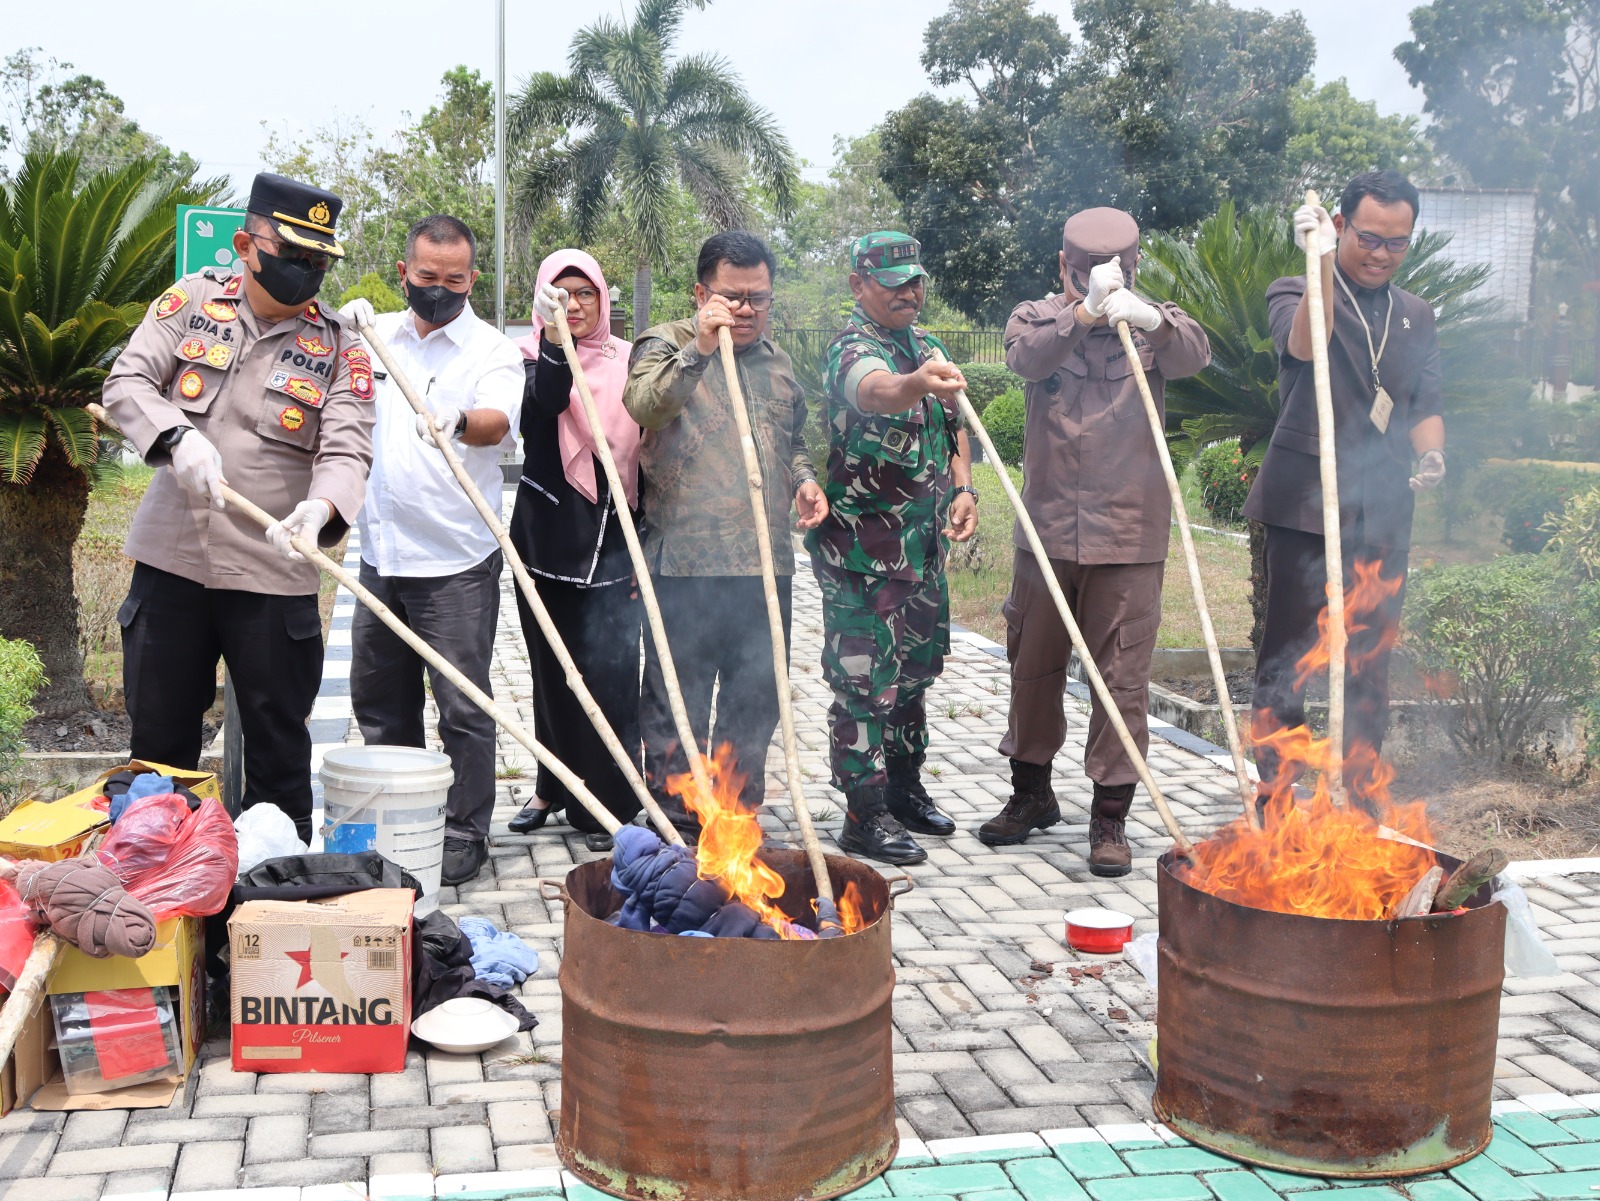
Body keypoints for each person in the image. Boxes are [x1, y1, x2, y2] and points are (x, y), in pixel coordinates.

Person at [103, 173, 373, 844]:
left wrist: (320, 508)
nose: (306, 271)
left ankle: (268, 892)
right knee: (159, 754)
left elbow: (347, 448)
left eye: (318, 261)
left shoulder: (341, 345)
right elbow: (127, 381)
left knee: (278, 760)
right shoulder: (192, 302)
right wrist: (176, 435)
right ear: (246, 245)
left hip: (273, 575)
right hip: (173, 564)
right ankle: (161, 887)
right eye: (292, 254)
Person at [978, 208, 1210, 876]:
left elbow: (1194, 355)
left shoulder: (1155, 323)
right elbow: (1026, 358)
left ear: (1134, 268)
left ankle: (1110, 816)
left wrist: (1147, 317)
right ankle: (1031, 793)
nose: (1103, 286)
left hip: (1129, 536)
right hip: (1047, 534)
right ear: (1064, 267)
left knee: (1121, 679)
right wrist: (1081, 313)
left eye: (1117, 273)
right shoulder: (1037, 317)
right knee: (1033, 667)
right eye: (1083, 274)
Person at [1244, 170, 1445, 804]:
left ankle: (1359, 801)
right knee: (1289, 657)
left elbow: (1423, 403)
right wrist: (1321, 262)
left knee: (1370, 662)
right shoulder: (1295, 288)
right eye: (1369, 238)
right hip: (1307, 501)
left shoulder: (1416, 314)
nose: (1381, 254)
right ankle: (1277, 798)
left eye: (1397, 243)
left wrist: (1432, 454)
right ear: (1339, 225)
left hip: (1383, 506)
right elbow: (1307, 346)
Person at [622, 231, 829, 840]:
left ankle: (735, 821)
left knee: (755, 701)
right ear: (700, 294)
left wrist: (805, 481)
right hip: (683, 566)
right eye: (731, 297)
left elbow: (794, 442)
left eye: (758, 298)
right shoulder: (666, 343)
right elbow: (645, 407)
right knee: (675, 704)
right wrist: (703, 349)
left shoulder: (778, 363)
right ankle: (676, 823)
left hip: (764, 567)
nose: (745, 310)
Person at [337, 215, 523, 887]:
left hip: (454, 563)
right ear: (404, 273)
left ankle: (465, 828)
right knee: (379, 700)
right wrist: (339, 328)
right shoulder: (375, 336)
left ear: (472, 279)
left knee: (463, 706)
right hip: (381, 555)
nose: (439, 289)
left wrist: (459, 420)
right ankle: (403, 815)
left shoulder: (491, 349)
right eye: (426, 277)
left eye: (454, 279)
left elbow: (497, 420)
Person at [807, 232, 977, 867]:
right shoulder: (851, 348)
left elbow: (954, 423)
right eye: (894, 282)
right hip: (862, 559)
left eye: (916, 281)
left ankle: (904, 788)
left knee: (914, 677)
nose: (910, 293)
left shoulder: (930, 346)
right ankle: (863, 812)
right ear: (859, 285)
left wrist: (965, 487)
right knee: (864, 685)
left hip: (922, 553)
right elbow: (877, 391)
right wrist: (914, 384)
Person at [505, 250, 643, 854]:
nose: (576, 304)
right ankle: (550, 787)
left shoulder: (629, 361)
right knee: (551, 673)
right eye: (561, 294)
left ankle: (611, 803)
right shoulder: (526, 358)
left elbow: (648, 450)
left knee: (612, 675)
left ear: (603, 299)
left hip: (616, 539)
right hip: (547, 541)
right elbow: (547, 403)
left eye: (585, 293)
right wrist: (554, 339)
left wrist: (646, 545)